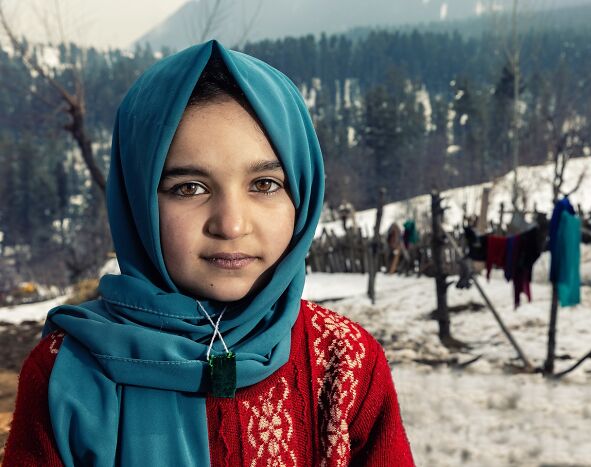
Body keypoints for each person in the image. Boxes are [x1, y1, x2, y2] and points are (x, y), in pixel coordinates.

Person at [3, 40, 414, 466]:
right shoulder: (70, 374)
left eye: (264, 185)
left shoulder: (344, 363)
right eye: (189, 188)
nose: (231, 225)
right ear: (138, 204)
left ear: (302, 194)